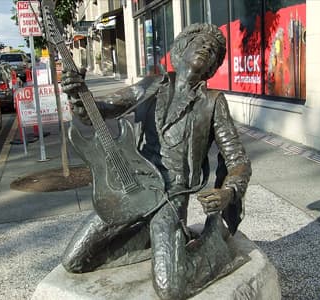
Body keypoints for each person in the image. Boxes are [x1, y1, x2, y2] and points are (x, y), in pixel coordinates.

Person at [61, 23, 252, 299]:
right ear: (182, 49)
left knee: (170, 288)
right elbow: (101, 110)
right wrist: (79, 97)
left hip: (171, 196)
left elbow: (238, 160)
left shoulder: (213, 102)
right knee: (74, 261)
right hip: (134, 186)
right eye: (200, 42)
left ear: (212, 66)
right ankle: (150, 240)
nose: (207, 48)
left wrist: (228, 193)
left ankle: (214, 248)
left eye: (213, 51)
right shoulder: (152, 85)